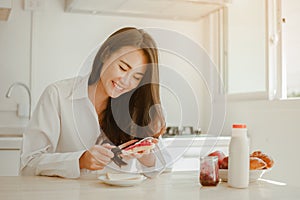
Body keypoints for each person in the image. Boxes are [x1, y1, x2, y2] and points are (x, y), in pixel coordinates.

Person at [20, 27, 169, 178]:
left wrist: (144, 155)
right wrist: (80, 161)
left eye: (136, 77)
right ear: (105, 54)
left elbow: (164, 167)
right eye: (123, 68)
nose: (125, 81)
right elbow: (28, 164)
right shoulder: (58, 95)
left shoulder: (138, 107)